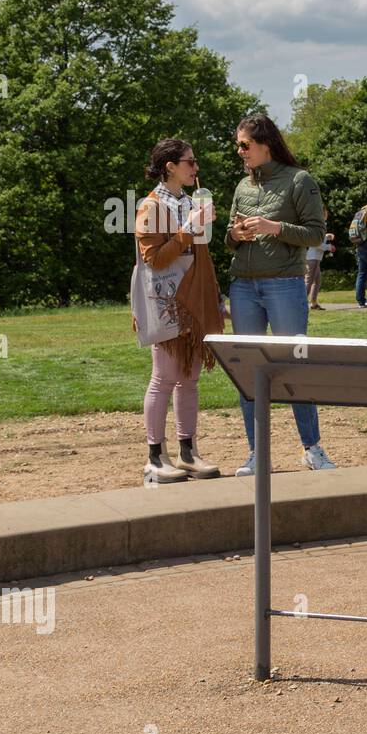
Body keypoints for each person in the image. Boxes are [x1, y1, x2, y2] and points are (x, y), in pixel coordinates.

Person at [225, 113, 337, 474]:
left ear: (265, 144)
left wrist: (275, 227)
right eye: (238, 146)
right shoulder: (242, 187)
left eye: (244, 145)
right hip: (243, 286)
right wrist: (235, 235)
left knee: (293, 365)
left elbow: (316, 234)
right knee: (250, 372)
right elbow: (228, 238)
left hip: (284, 286)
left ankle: (312, 448)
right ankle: (258, 454)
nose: (240, 152)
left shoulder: (300, 180)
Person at [135, 138, 225, 484]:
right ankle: (155, 457)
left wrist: (213, 297)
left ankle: (188, 452)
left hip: (192, 300)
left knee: (190, 378)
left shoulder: (188, 200)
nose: (195, 167)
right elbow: (153, 259)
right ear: (170, 166)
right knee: (164, 377)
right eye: (190, 161)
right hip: (166, 301)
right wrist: (189, 230)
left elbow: (201, 257)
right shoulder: (151, 205)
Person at [306, 206, 335, 310]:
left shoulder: (320, 225)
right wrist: (329, 247)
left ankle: (313, 303)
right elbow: (315, 242)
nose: (327, 214)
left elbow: (319, 239)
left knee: (317, 281)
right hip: (312, 258)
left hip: (316, 258)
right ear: (322, 213)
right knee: (309, 281)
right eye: (326, 212)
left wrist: (327, 236)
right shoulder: (318, 224)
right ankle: (301, 304)